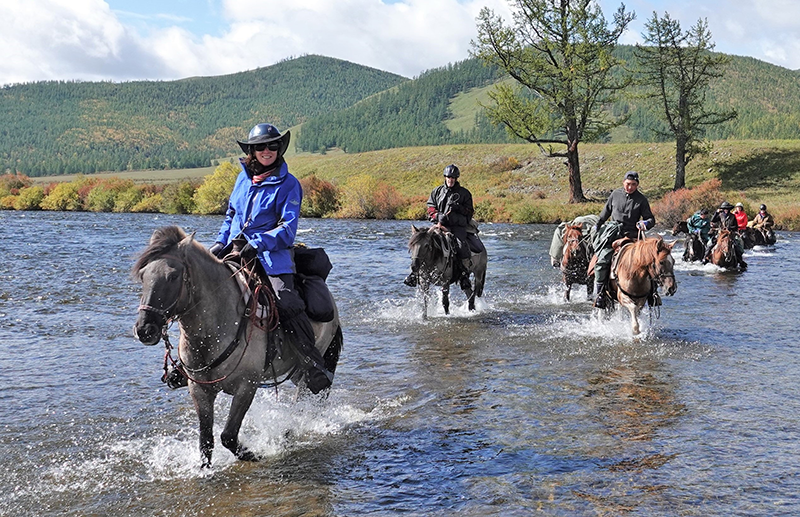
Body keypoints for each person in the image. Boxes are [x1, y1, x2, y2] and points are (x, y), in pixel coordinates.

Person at [208, 123, 332, 394]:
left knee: (286, 301)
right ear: (252, 151)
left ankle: (312, 365)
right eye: (261, 146)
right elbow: (231, 214)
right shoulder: (241, 178)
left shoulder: (289, 184)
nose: (267, 151)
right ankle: (189, 364)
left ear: (279, 148)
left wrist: (258, 243)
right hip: (235, 251)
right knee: (200, 289)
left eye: (272, 145)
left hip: (272, 257)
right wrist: (220, 242)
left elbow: (288, 229)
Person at [405, 164, 485, 288]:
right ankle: (414, 273)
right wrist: (437, 216)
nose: (450, 180)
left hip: (457, 227)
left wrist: (459, 208)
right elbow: (430, 207)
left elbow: (469, 212)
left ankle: (464, 275)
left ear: (456, 178)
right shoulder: (436, 191)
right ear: (445, 177)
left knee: (460, 245)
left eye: (453, 177)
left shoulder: (465, 193)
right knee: (421, 243)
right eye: (448, 177)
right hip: (438, 225)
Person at [591, 171, 655, 309]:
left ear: (637, 185)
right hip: (614, 236)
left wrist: (645, 224)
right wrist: (598, 224)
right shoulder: (615, 194)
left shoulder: (642, 199)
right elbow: (606, 211)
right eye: (628, 184)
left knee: (648, 262)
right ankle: (600, 294)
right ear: (623, 182)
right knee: (602, 261)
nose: (630, 187)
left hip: (632, 237)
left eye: (633, 185)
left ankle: (652, 295)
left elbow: (651, 219)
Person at [703, 201, 746, 269]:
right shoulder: (720, 215)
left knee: (738, 243)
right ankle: (706, 258)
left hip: (730, 234)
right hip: (721, 233)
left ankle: (740, 260)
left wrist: (730, 228)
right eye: (724, 208)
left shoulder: (732, 216)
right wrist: (716, 213)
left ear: (729, 209)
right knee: (710, 243)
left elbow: (736, 227)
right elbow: (713, 220)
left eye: (727, 208)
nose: (726, 210)